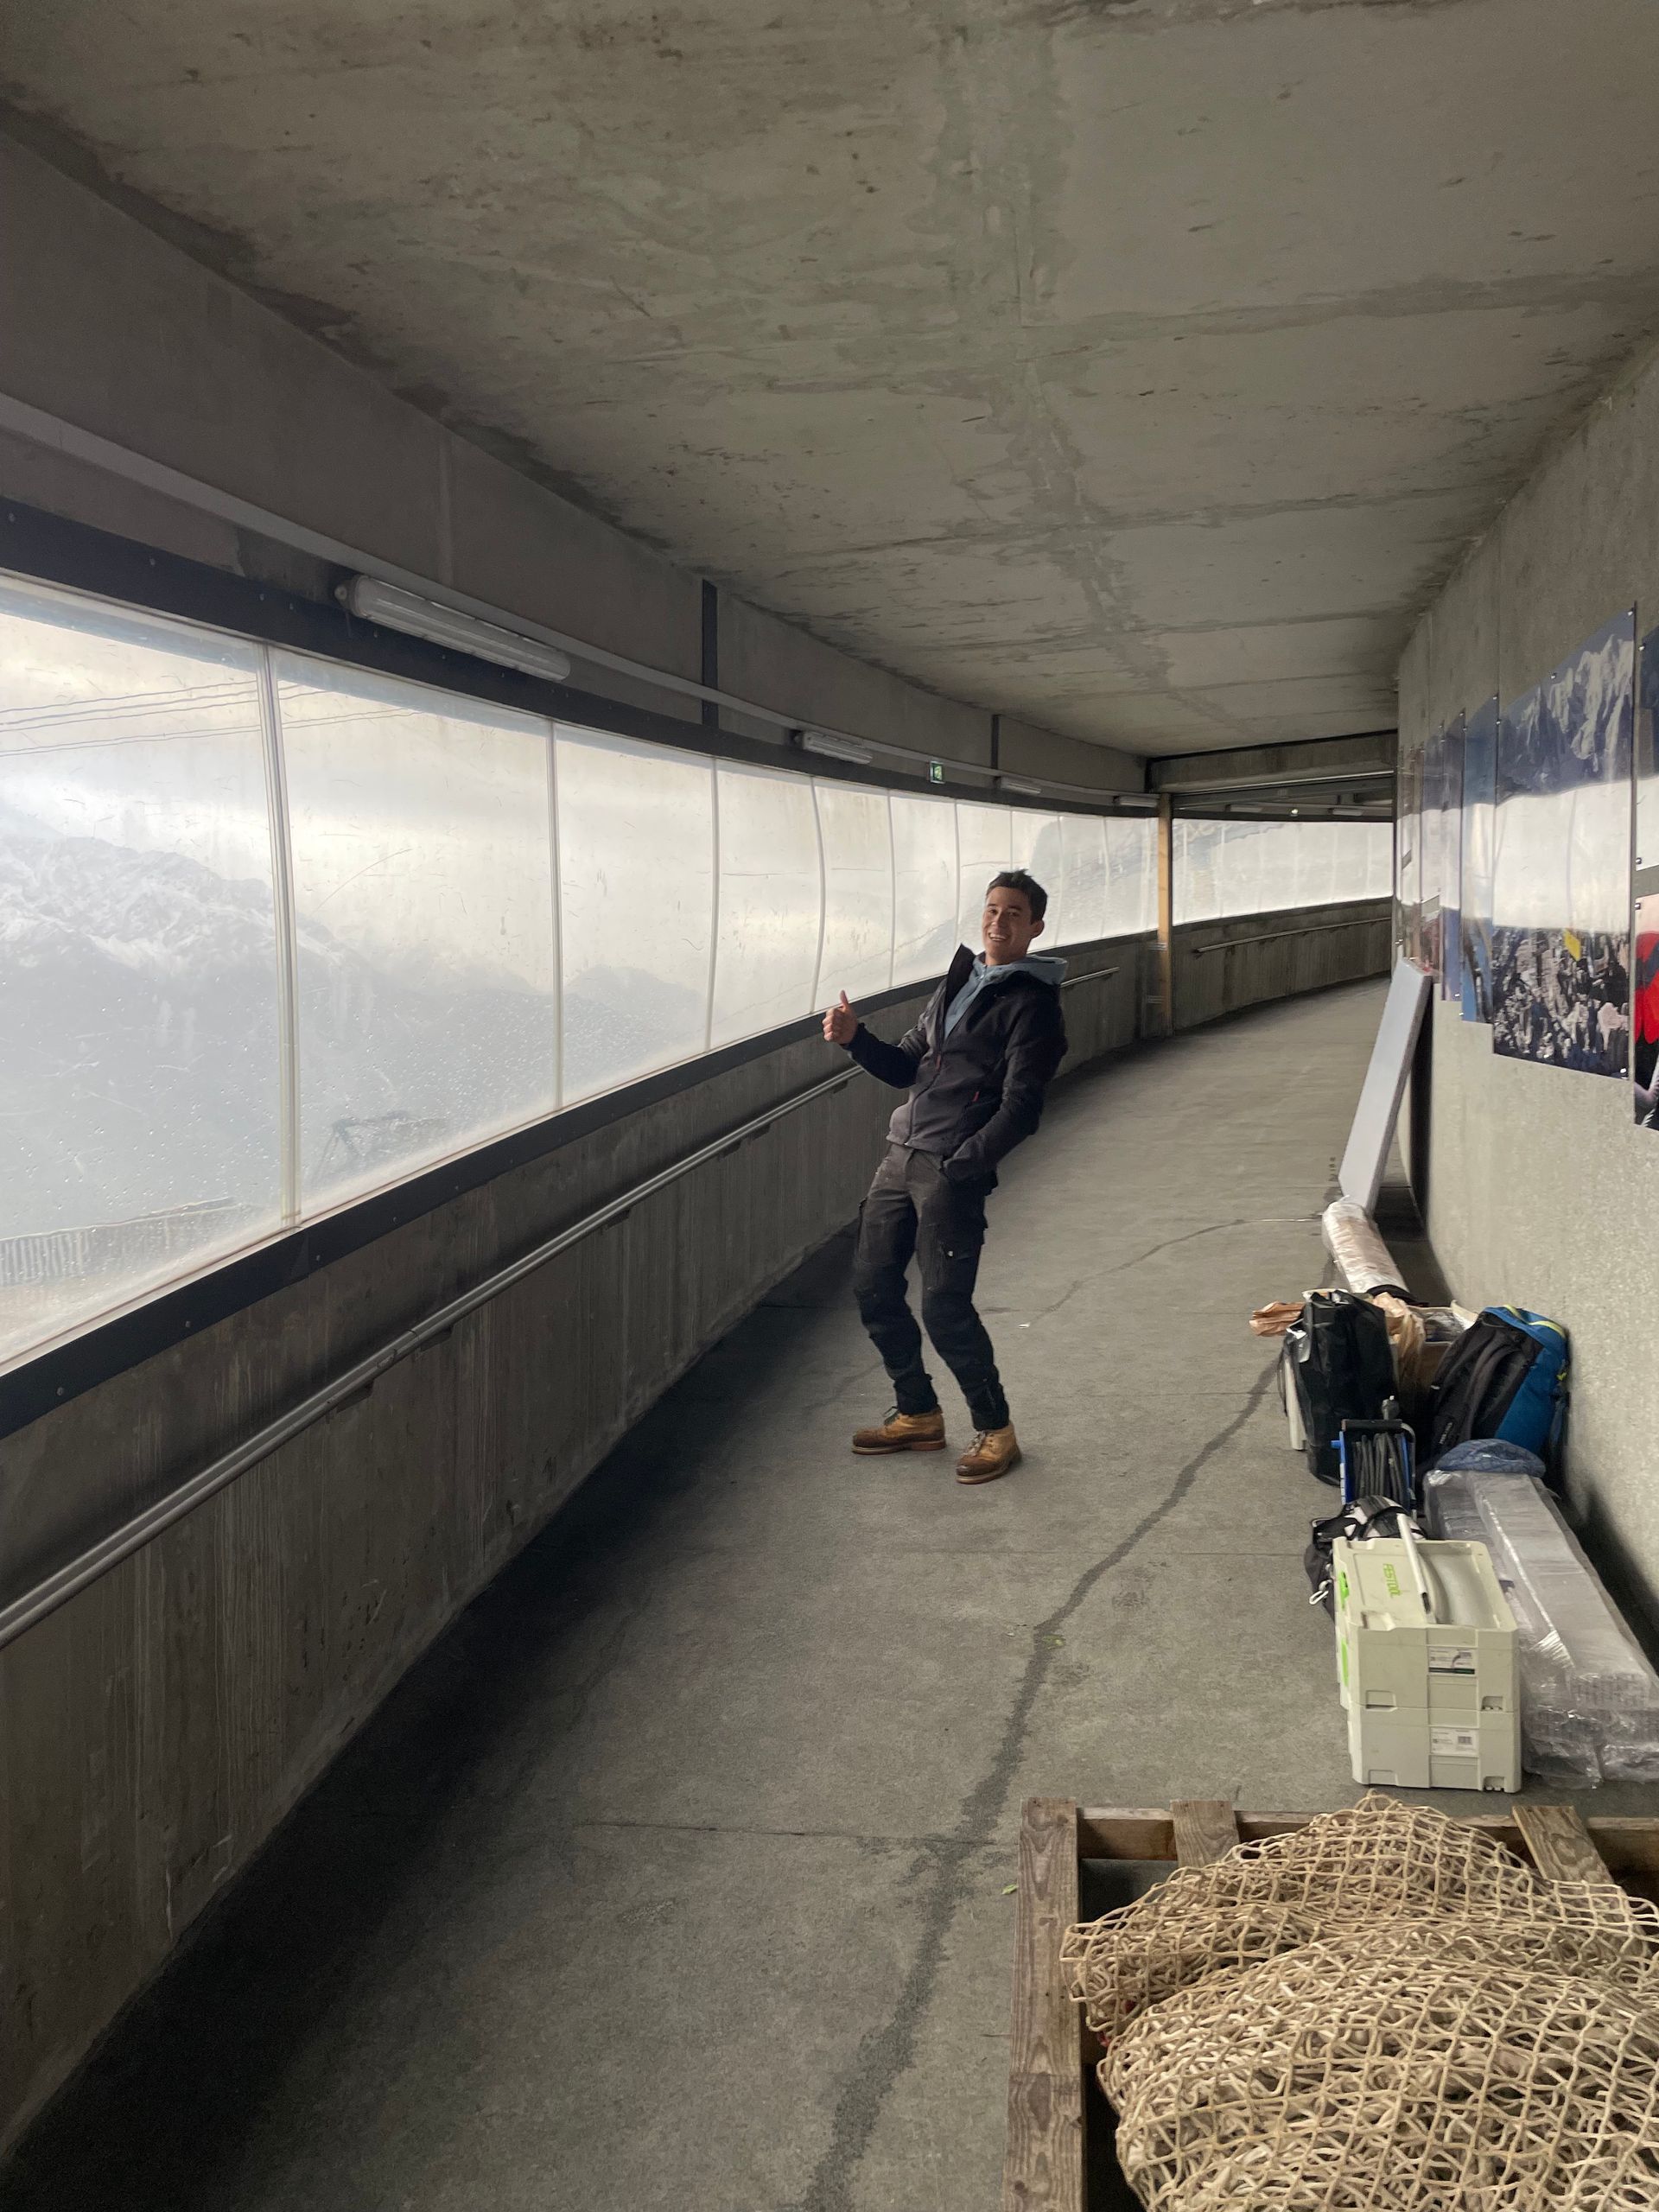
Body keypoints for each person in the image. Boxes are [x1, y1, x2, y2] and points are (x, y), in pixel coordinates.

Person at [822, 868, 1066, 1484]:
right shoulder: (959, 981)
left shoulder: (1033, 1006)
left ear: (1036, 926)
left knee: (944, 1307)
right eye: (992, 909)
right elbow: (908, 1065)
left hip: (948, 1169)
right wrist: (856, 1040)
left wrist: (962, 1167)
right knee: (873, 1286)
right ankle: (918, 1413)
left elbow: (1022, 1107)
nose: (998, 921)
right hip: (900, 1154)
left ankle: (996, 1429)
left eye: (1014, 913)